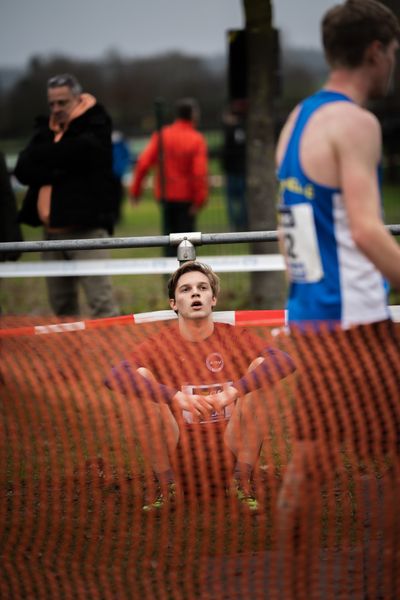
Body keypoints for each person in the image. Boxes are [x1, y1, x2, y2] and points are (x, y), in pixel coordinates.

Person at [275, 0, 400, 594]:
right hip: (359, 326)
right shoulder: (357, 123)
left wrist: (307, 299)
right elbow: (370, 230)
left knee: (308, 464)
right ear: (376, 51)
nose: (394, 64)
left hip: (313, 321)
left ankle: (293, 587)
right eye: (394, 53)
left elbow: (286, 237)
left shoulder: (297, 120)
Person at [106, 261, 295, 512]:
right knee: (139, 377)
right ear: (173, 303)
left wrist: (232, 392)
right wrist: (175, 398)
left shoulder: (233, 336)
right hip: (179, 453)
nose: (195, 293)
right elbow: (115, 376)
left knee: (262, 366)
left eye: (202, 288)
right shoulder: (161, 343)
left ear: (213, 299)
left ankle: (241, 483)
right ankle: (168, 487)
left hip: (230, 449)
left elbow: (285, 361)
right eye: (185, 290)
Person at [14, 73, 119, 318]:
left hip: (87, 232)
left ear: (77, 98)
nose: (56, 109)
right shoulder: (45, 129)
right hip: (51, 235)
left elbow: (86, 153)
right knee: (61, 306)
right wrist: (60, 167)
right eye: (52, 103)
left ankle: (116, 355)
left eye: (62, 102)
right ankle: (70, 356)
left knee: (102, 303)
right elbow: (22, 168)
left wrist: (44, 158)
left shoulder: (97, 123)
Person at [129, 98, 208, 256]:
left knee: (169, 241)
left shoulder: (162, 135)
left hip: (165, 197)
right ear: (193, 115)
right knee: (186, 245)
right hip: (186, 199)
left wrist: (136, 191)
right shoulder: (196, 139)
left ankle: (169, 275)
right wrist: (199, 200)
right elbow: (199, 173)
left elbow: (143, 164)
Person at [221, 100, 248, 231]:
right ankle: (241, 222)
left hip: (232, 169)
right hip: (241, 168)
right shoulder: (244, 129)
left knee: (232, 199)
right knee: (242, 198)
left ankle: (235, 223)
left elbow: (225, 151)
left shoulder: (229, 130)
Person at [112, 130, 134, 224]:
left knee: (117, 196)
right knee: (117, 196)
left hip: (115, 173)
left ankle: (116, 217)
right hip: (116, 173)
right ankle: (116, 216)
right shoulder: (120, 142)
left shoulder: (119, 143)